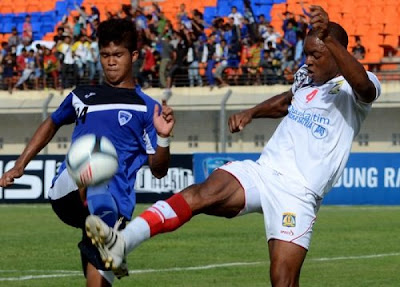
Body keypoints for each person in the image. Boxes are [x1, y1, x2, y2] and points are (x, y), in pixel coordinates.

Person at [85, 6, 381, 286]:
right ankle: (122, 242)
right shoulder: (306, 79)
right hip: (264, 172)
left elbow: (365, 90)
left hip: (299, 193)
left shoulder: (357, 85)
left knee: (283, 279)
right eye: (306, 54)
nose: (308, 61)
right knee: (204, 192)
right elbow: (286, 102)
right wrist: (251, 112)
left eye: (316, 55)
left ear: (335, 52)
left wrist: (329, 37)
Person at [0, 18, 175, 287]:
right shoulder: (83, 95)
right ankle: (107, 237)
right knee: (96, 162)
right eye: (105, 55)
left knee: (96, 283)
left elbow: (160, 171)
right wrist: (20, 165)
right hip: (70, 190)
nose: (111, 61)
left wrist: (163, 137)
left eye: (118, 54)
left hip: (116, 210)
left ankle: (107, 238)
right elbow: (53, 121)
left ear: (135, 56)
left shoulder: (146, 108)